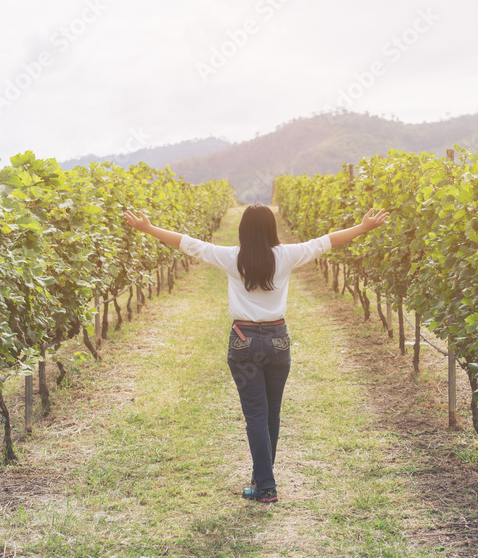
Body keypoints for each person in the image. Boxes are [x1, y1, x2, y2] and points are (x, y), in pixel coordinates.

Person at [123, 203, 389, 504]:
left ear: (243, 230)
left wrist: (148, 229)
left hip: (244, 341)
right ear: (271, 228)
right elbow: (326, 241)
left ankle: (265, 485)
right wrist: (363, 228)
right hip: (277, 341)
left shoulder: (232, 258)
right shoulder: (286, 255)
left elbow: (188, 244)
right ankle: (264, 478)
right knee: (271, 414)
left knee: (256, 416)